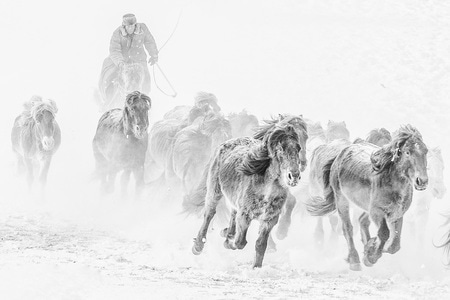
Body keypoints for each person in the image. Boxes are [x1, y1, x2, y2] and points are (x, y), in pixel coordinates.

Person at [99, 13, 158, 102]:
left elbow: (149, 41)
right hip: (122, 61)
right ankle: (108, 100)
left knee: (145, 80)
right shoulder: (117, 33)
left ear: (136, 25)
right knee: (109, 76)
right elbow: (114, 50)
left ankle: (143, 102)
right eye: (128, 27)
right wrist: (120, 63)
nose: (130, 28)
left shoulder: (143, 29)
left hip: (139, 60)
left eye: (132, 26)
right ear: (124, 26)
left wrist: (153, 54)